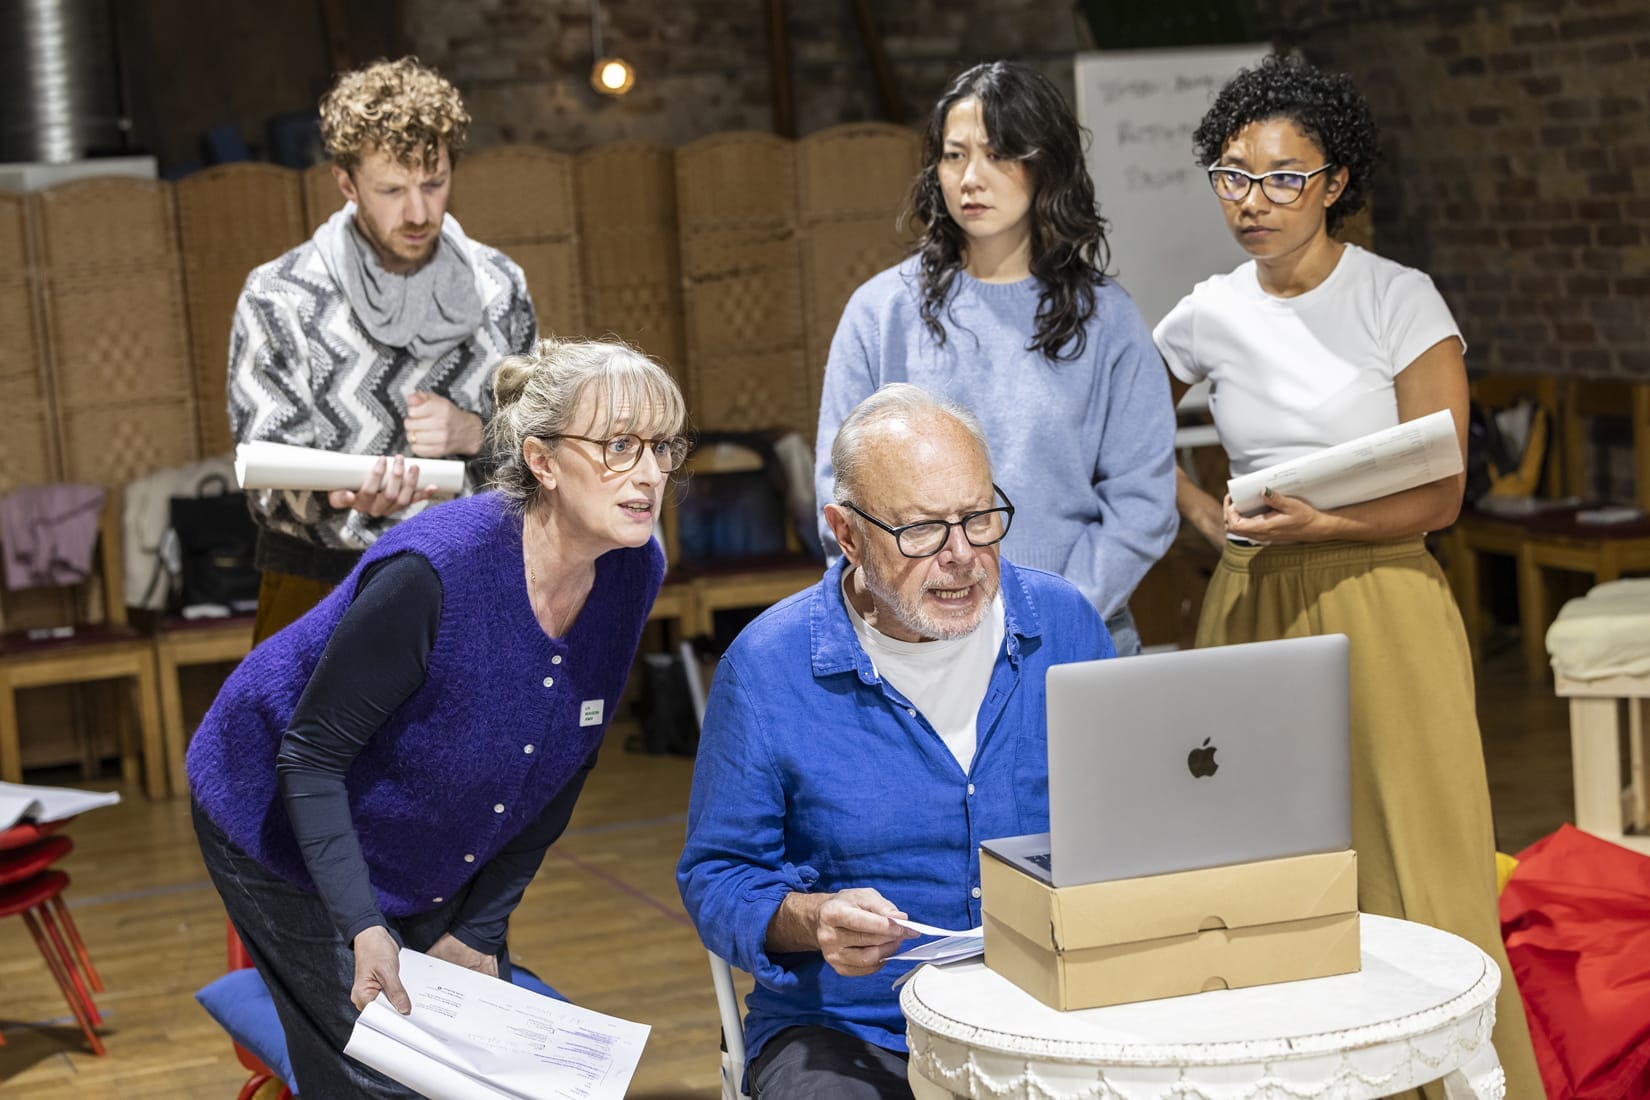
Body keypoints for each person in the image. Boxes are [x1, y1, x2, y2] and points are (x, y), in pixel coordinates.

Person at [1152, 54, 1542, 1096]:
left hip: (1384, 591)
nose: (1253, 200)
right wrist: (1201, 514)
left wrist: (1324, 519)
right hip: (1249, 597)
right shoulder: (1208, 310)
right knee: (1261, 860)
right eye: (1232, 174)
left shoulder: (1398, 298)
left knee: (1422, 856)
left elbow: (1444, 489)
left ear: (1333, 183)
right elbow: (1124, 419)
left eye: (1283, 176)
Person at [188, 337, 686, 1098]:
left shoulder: (633, 566)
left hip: (421, 834)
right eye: (620, 446)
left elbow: (564, 762)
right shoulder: (435, 573)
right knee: (378, 1075)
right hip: (274, 812)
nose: (649, 474)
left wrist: (481, 926)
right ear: (543, 462)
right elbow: (310, 757)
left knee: (473, 1072)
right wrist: (362, 927)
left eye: (661, 447)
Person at [680, 383, 1112, 1098]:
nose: (962, 555)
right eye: (921, 531)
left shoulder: (1062, 625)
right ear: (846, 534)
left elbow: (1136, 816)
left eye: (979, 518)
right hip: (857, 1029)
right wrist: (813, 919)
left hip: (1052, 1002)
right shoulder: (768, 667)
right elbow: (718, 879)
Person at [814, 61, 1176, 656]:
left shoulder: (1107, 317)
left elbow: (1143, 502)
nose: (970, 179)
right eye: (954, 156)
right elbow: (840, 487)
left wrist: (1051, 612)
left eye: (998, 154)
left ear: (1045, 164)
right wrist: (907, 614)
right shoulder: (881, 312)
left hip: (1073, 633)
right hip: (915, 639)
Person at [228, 56, 537, 643]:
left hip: (477, 585)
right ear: (347, 183)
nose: (419, 212)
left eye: (434, 182)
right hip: (320, 592)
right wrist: (337, 496)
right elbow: (263, 480)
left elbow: (545, 446)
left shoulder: (498, 285)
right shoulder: (282, 294)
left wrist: (473, 432)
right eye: (392, 189)